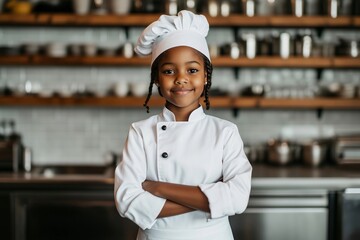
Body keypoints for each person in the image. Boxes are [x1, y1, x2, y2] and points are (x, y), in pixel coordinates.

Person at [114, 10, 252, 240]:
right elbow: (127, 200)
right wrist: (213, 197)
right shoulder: (140, 132)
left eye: (192, 70)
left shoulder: (225, 132)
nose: (181, 78)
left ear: (206, 76)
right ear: (156, 78)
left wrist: (159, 189)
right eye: (169, 71)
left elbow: (238, 198)